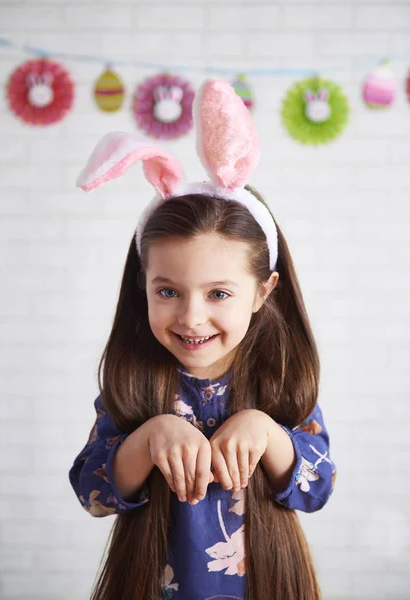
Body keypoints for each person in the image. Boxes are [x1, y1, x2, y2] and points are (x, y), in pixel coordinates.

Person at [69, 80, 337, 600]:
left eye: (218, 292)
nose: (192, 317)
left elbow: (317, 488)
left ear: (263, 291)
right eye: (168, 290)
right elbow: (93, 494)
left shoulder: (277, 381)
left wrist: (266, 431)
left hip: (267, 585)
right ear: (142, 287)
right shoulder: (135, 385)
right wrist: (148, 439)